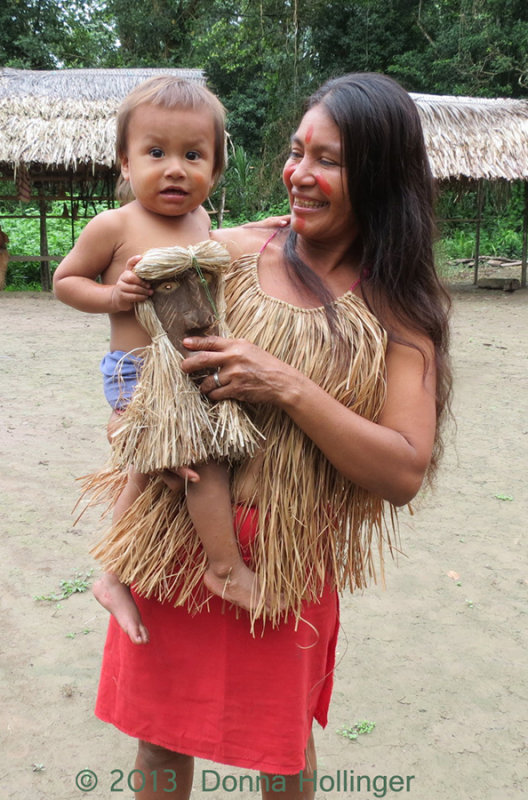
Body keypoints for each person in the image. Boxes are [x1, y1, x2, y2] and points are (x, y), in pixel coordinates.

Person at [93, 72, 451, 799]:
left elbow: (404, 470)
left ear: (382, 174)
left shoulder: (398, 311)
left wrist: (284, 383)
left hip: (281, 565)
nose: (300, 174)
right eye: (297, 152)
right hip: (178, 540)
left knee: (282, 750)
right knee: (160, 738)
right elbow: (133, 344)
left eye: (330, 160)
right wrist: (138, 431)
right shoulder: (227, 253)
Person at [53, 75, 262, 646]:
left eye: (193, 155)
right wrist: (113, 297)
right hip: (139, 374)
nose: (175, 169)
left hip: (189, 365)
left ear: (215, 170)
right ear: (125, 161)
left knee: (148, 472)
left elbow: (226, 261)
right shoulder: (114, 225)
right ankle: (223, 567)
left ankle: (112, 573)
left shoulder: (201, 224)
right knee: (197, 461)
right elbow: (65, 281)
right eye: (156, 152)